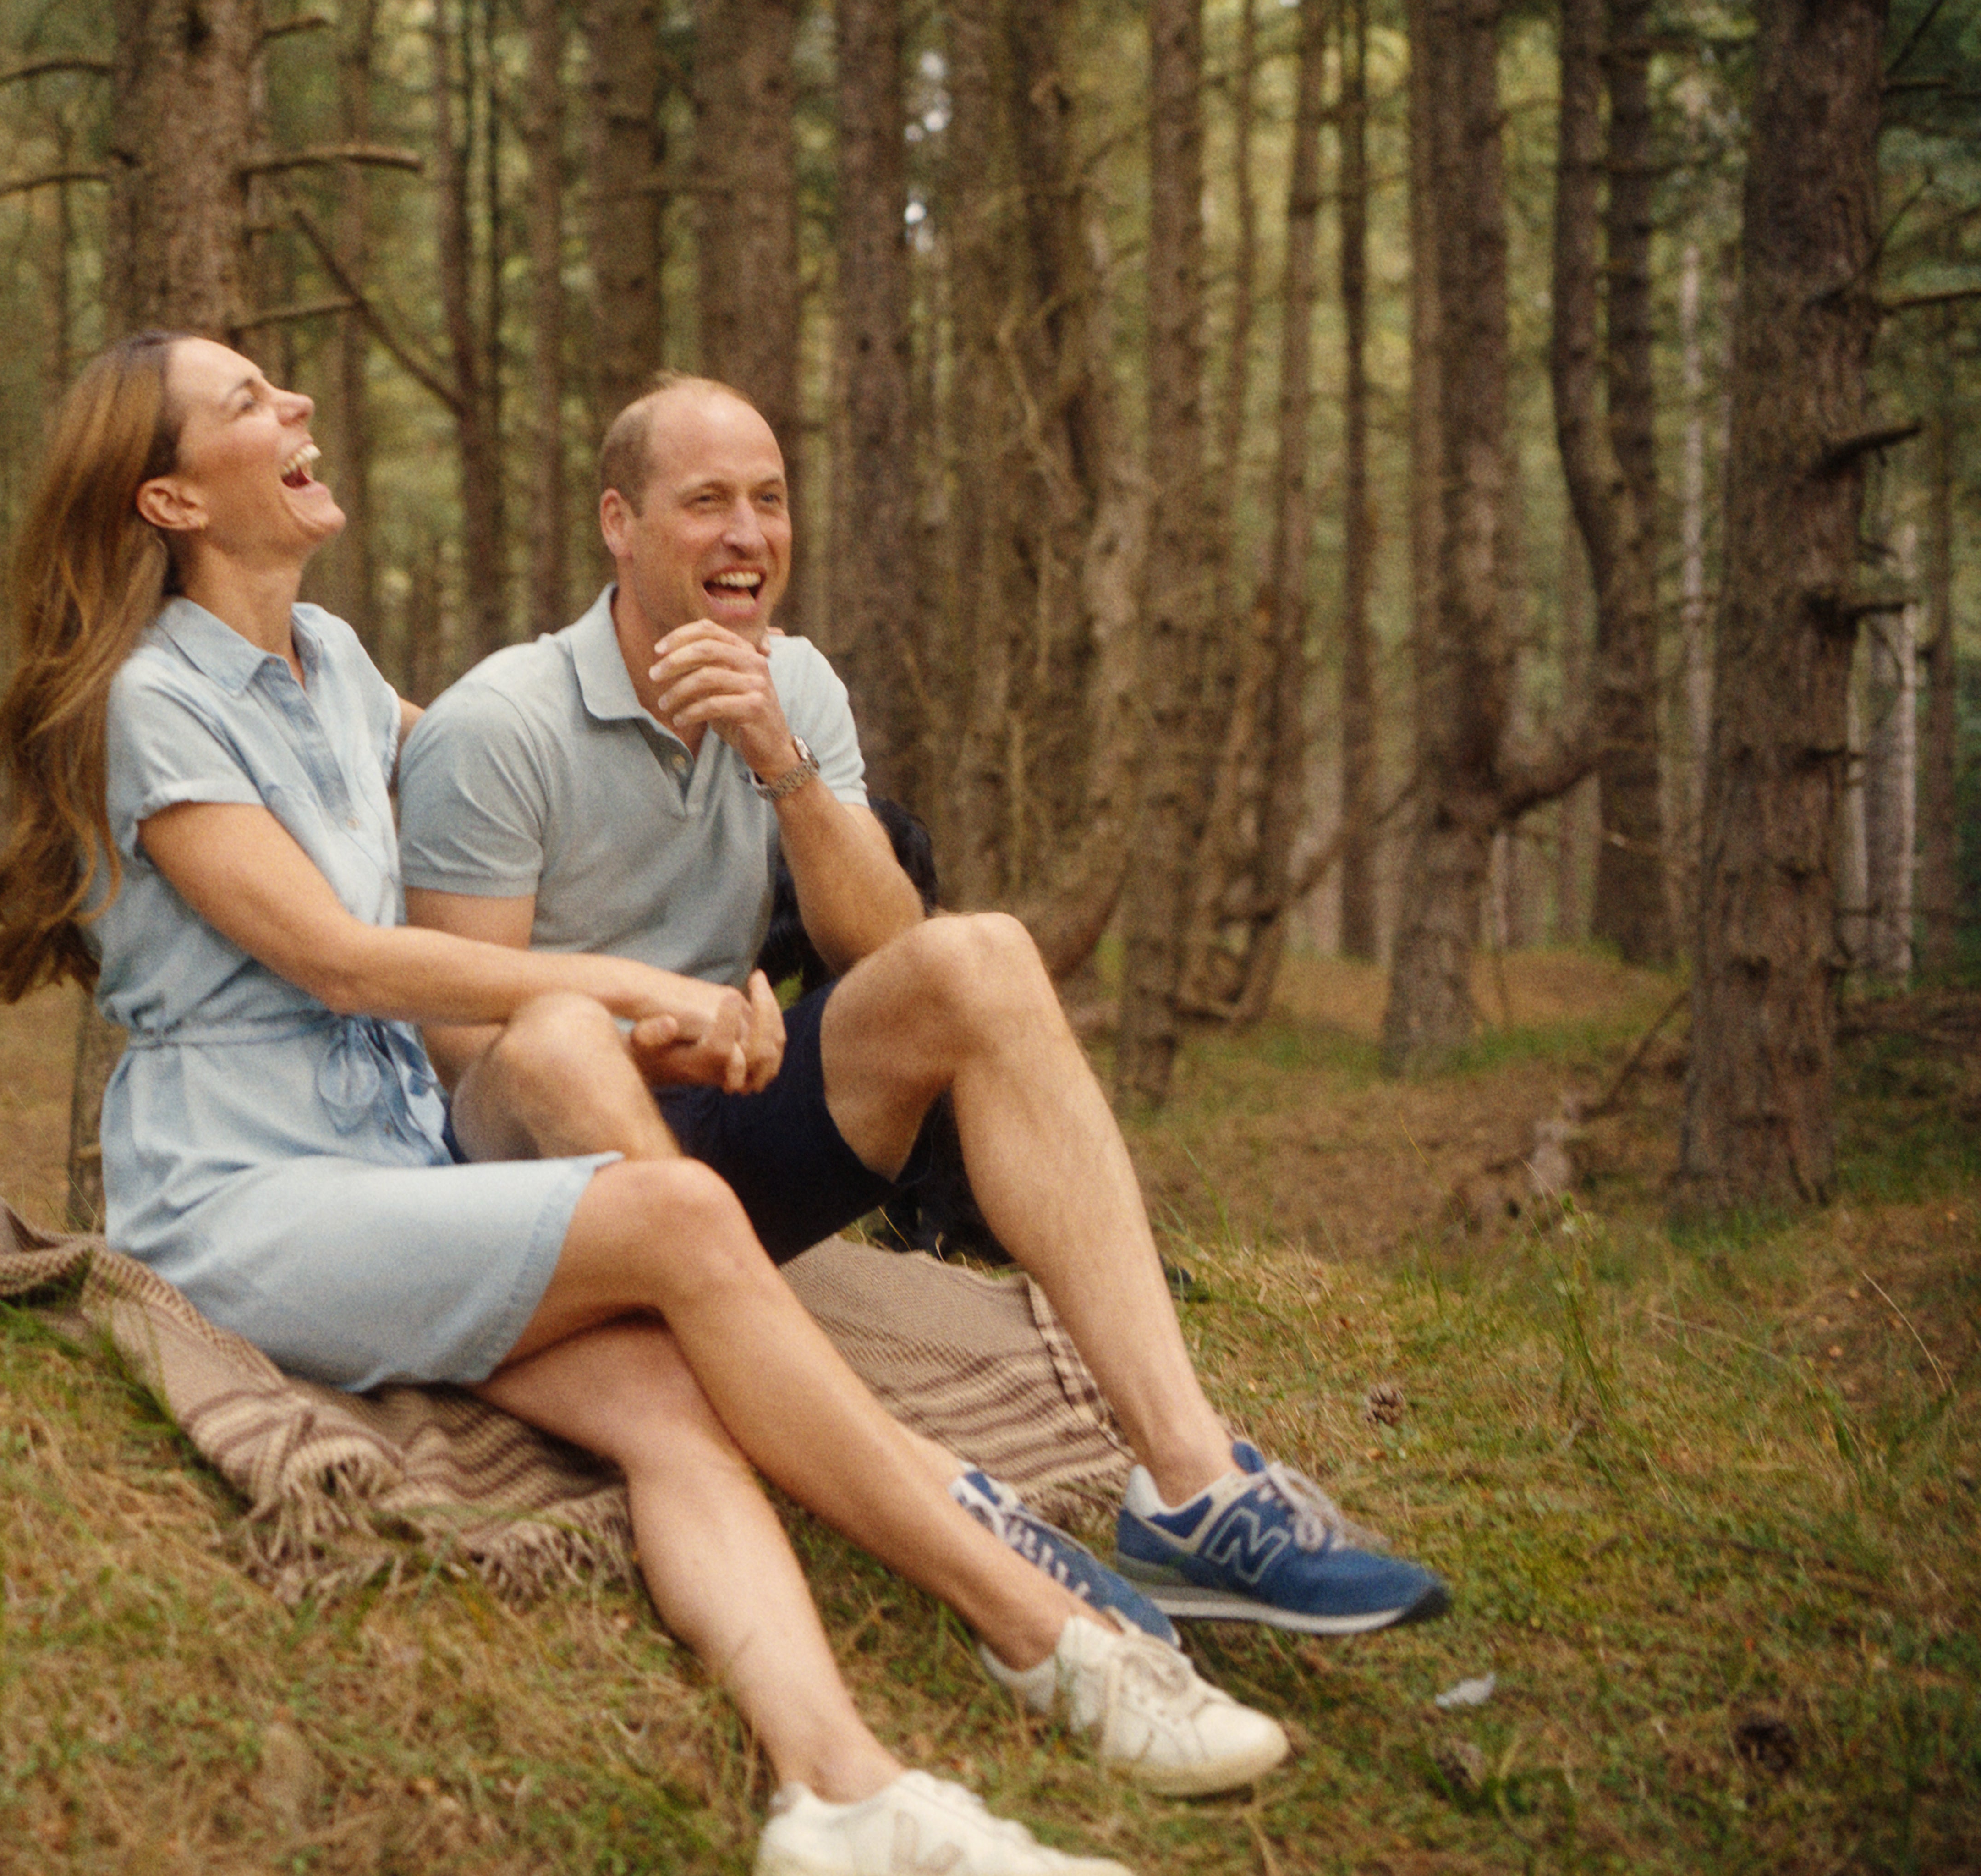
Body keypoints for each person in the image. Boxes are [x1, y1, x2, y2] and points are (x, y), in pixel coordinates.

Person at [0, 332, 1287, 1876]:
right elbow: (333, 960)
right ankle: (1039, 1621)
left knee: (673, 1407)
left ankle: (843, 1795)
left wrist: (726, 882)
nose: (297, 405)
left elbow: (482, 763)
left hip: (403, 1172)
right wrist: (632, 990)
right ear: (172, 495)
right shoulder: (150, 703)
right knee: (676, 1216)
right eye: (250, 402)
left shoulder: (329, 664)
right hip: (245, 1194)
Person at [398, 374, 1451, 1637]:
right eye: (707, 503)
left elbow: (886, 953)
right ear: (621, 525)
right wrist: (648, 1041)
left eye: (771, 502)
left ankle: (1193, 1486)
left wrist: (779, 760)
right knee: (561, 1042)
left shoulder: (801, 689)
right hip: (547, 1180)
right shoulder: (500, 724)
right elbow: (458, 1037)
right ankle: (916, 1486)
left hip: (728, 1127)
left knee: (984, 957)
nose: (748, 534)